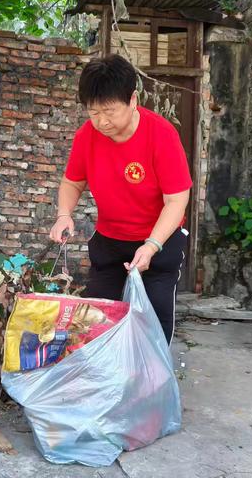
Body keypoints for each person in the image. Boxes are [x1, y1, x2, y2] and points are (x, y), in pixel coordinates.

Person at [49, 54, 192, 345]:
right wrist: (64, 213)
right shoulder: (86, 136)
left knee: (153, 317)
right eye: (93, 112)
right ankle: (104, 383)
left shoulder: (161, 135)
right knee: (97, 318)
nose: (101, 121)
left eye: (110, 111)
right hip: (110, 242)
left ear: (133, 99)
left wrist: (151, 246)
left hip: (159, 242)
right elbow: (72, 182)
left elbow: (176, 201)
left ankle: (152, 384)